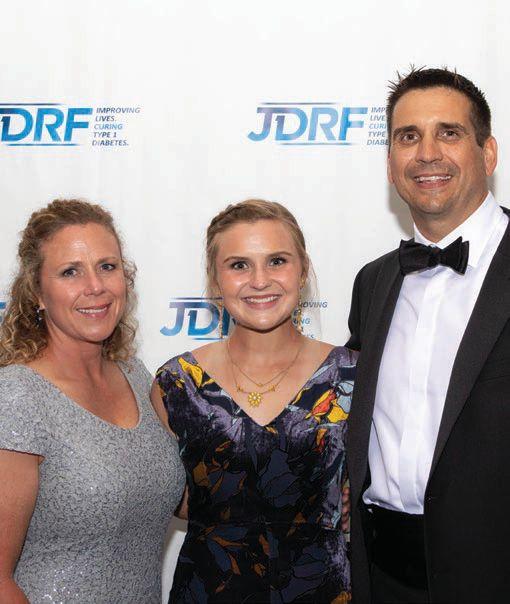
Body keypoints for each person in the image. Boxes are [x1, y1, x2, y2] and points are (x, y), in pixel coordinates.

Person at [346, 67, 510, 603]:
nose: (427, 154)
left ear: (488, 153)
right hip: (384, 579)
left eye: (449, 133)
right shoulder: (373, 283)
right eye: (408, 136)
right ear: (390, 162)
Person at [152, 199, 357, 603]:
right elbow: (163, 494)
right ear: (215, 280)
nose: (259, 280)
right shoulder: (176, 384)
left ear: (303, 271)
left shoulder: (353, 375)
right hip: (208, 590)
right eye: (239, 265)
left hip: (323, 591)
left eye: (277, 261)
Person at [0, 199, 185, 604]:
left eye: (107, 266)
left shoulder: (136, 376)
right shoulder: (17, 396)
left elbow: (184, 501)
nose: (95, 286)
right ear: (37, 292)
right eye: (70, 271)